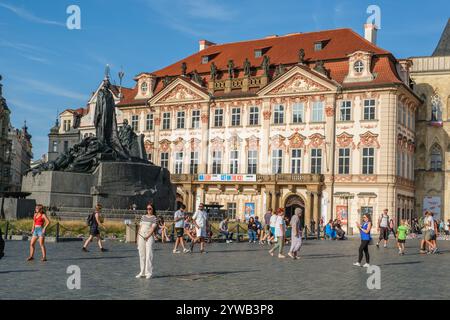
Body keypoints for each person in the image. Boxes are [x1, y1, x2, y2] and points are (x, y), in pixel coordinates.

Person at [136, 204, 158, 279]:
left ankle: (148, 272)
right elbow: (140, 227)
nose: (148, 210)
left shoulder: (154, 218)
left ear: (153, 209)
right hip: (141, 236)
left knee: (149, 254)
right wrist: (137, 238)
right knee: (142, 255)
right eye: (147, 209)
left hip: (149, 237)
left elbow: (152, 228)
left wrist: (148, 236)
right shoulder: (143, 217)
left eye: (150, 209)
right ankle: (142, 272)